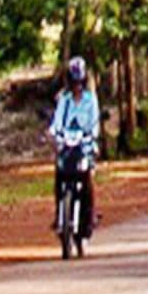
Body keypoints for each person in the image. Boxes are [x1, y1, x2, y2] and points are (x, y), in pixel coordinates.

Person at [48, 58, 100, 242]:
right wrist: (54, 135)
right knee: (59, 175)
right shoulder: (65, 101)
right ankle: (59, 213)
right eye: (74, 82)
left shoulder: (90, 100)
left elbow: (95, 123)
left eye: (80, 82)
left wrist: (91, 136)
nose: (77, 86)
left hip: (84, 146)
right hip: (67, 147)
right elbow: (56, 123)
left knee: (88, 178)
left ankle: (90, 215)